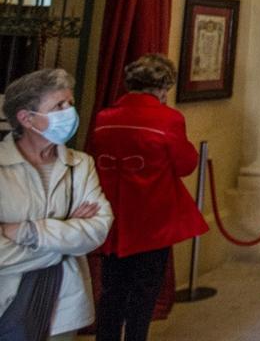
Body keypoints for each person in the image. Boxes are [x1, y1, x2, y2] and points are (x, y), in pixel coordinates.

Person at [88, 54, 208, 341]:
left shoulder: (104, 118)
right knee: (144, 292)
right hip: (152, 217)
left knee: (112, 290)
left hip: (114, 217)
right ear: (162, 88)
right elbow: (186, 164)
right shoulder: (168, 119)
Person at [0, 68, 112, 340]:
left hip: (64, 304)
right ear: (26, 118)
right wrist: (64, 242)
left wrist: (27, 233)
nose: (70, 112)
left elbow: (97, 229)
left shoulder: (80, 164)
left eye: (70, 103)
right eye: (59, 105)